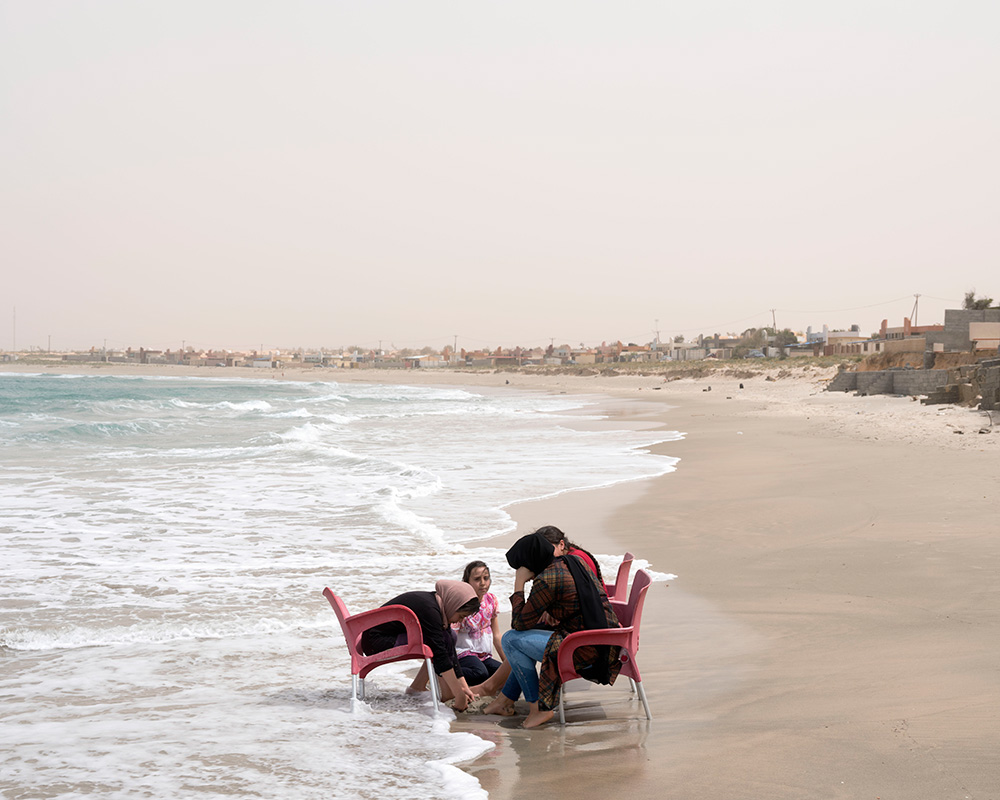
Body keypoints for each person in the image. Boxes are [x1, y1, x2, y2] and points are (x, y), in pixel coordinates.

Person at [482, 529, 621, 728]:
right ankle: (506, 700)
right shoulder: (573, 562)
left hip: (585, 650)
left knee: (511, 640)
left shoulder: (547, 579)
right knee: (522, 642)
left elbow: (519, 623)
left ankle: (537, 709)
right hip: (607, 642)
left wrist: (519, 583)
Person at [360, 579, 480, 711]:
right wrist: (459, 695)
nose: (460, 620)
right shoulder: (430, 610)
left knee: (449, 637)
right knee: (440, 642)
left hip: (386, 635)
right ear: (453, 604)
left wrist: (464, 687)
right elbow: (440, 654)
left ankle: (417, 687)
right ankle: (447, 693)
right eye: (461, 616)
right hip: (375, 641)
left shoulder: (438, 603)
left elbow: (449, 647)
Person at [453, 561, 505, 684]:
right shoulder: (462, 603)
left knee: (505, 675)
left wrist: (507, 664)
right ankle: (446, 674)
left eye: (486, 578)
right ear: (467, 582)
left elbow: (496, 636)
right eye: (477, 579)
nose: (483, 583)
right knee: (480, 673)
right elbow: (452, 636)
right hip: (463, 653)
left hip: (484, 655)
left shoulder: (491, 600)